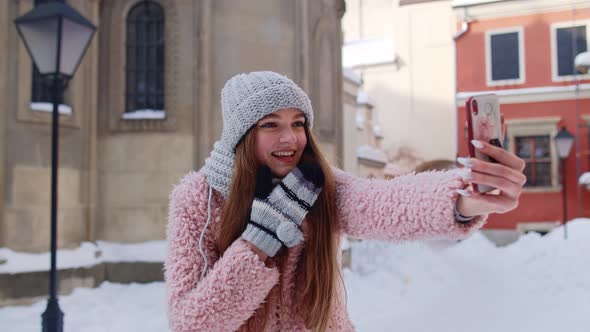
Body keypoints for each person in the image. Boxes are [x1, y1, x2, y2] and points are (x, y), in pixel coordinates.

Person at [164, 71, 526, 332]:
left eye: (299, 122)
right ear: (241, 135)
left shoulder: (317, 185)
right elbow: (191, 325)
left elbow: (383, 205)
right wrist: (257, 243)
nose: (291, 137)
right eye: (270, 125)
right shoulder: (200, 198)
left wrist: (465, 199)